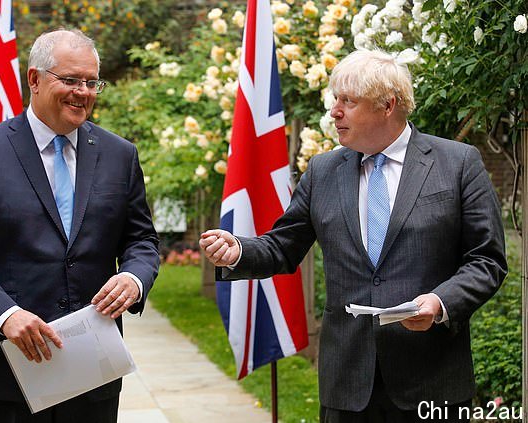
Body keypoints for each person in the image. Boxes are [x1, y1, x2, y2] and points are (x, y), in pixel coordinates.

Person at [199, 49, 507, 423]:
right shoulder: (322, 170)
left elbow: (487, 260)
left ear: (387, 105)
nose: (335, 112)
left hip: (431, 379)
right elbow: (283, 246)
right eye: (335, 100)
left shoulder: (458, 164)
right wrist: (237, 251)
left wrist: (441, 303)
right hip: (347, 382)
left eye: (348, 101)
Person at [0, 29, 160, 423]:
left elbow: (141, 239)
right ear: (34, 80)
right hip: (7, 374)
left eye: (91, 82)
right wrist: (4, 315)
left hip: (94, 373)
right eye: (70, 80)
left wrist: (135, 279)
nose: (83, 92)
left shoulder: (120, 155)